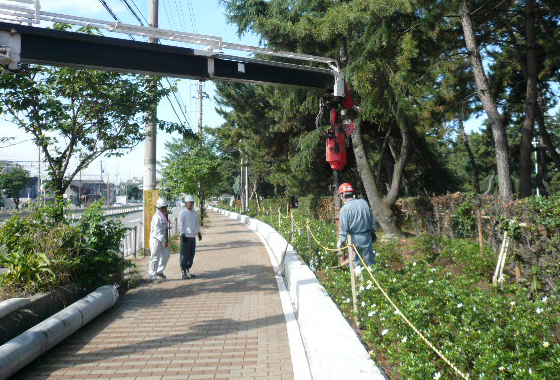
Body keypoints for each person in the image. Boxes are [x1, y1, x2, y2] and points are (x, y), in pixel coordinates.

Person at [337, 182, 377, 268]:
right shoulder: (364, 203)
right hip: (366, 236)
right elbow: (371, 219)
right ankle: (372, 276)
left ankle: (359, 279)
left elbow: (344, 228)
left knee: (355, 262)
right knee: (370, 261)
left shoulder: (344, 209)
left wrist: (341, 241)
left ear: (343, 195)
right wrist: (373, 232)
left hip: (353, 238)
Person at [178, 194, 202, 279]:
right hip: (185, 236)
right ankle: (183, 271)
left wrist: (199, 232)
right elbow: (180, 225)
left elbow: (197, 224)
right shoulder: (182, 213)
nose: (191, 204)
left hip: (192, 237)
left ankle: (188, 270)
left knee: (191, 254)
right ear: (186, 203)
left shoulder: (195, 213)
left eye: (192, 202)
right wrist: (182, 234)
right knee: (184, 254)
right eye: (189, 203)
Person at [149, 197, 170, 282]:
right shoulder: (157, 217)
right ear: (162, 207)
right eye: (165, 207)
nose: (166, 208)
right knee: (154, 258)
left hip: (162, 239)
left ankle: (159, 271)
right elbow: (157, 232)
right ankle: (152, 276)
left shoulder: (163, 215)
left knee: (166, 255)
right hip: (156, 240)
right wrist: (164, 241)